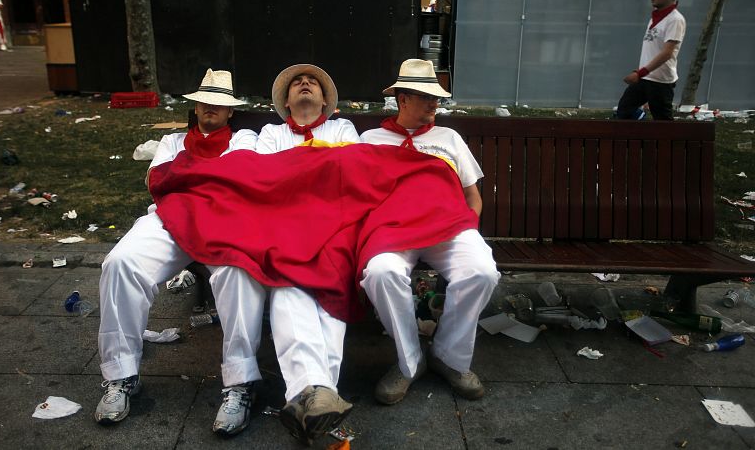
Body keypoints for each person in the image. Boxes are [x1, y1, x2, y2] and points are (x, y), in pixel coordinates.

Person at [95, 69, 264, 437]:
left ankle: (240, 382)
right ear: (195, 105)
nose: (211, 108)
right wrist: (212, 175)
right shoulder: (172, 140)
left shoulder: (245, 138)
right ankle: (121, 376)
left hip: (224, 221)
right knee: (120, 263)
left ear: (230, 111)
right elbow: (158, 183)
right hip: (171, 219)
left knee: (238, 272)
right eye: (205, 101)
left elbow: (242, 182)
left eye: (219, 103)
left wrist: (189, 173)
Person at [359, 58, 501, 405]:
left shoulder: (448, 137)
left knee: (482, 271)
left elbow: (472, 196)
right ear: (403, 99)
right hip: (392, 230)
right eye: (426, 96)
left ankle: (448, 356)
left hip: (448, 227)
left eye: (436, 97)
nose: (436, 103)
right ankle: (410, 362)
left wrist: (467, 227)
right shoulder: (370, 139)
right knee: (380, 272)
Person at [256, 64, 359, 443]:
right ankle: (322, 396)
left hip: (333, 226)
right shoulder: (270, 133)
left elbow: (351, 172)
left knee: (331, 292)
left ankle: (308, 393)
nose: (304, 83)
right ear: (286, 101)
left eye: (311, 82)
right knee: (285, 289)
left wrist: (298, 172)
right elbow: (262, 178)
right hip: (284, 227)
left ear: (326, 101)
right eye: (297, 82)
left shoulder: (342, 130)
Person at [617, 0, 686, 121]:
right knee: (624, 110)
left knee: (662, 120)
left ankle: (669, 142)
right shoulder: (655, 17)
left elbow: (667, 53)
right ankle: (635, 139)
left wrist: (640, 72)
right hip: (644, 77)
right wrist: (641, 73)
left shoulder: (675, 20)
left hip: (660, 81)